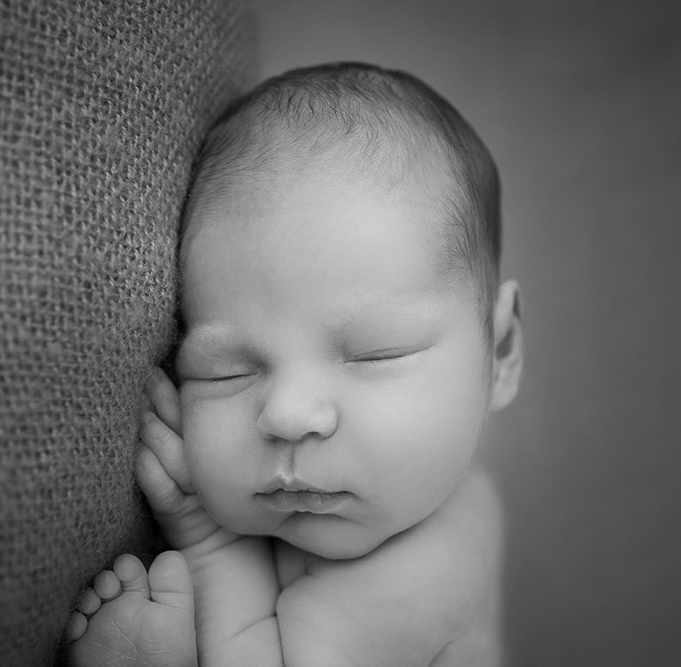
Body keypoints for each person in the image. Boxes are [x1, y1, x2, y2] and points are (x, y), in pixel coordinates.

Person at [66, 61, 523, 667]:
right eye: (226, 372)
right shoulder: (437, 495)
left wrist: (211, 543)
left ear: (500, 351)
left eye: (374, 354)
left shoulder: (413, 580)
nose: (285, 414)